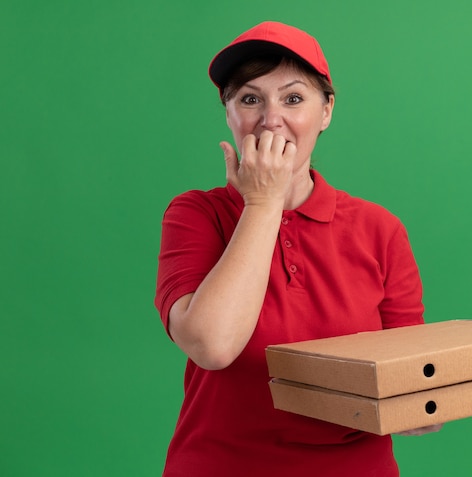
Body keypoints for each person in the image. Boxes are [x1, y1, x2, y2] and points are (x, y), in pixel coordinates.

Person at [155, 21, 440, 477]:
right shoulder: (195, 214)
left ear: (326, 111)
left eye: (293, 98)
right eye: (250, 99)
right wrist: (263, 201)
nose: (271, 119)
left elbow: (410, 384)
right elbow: (211, 345)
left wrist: (426, 403)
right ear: (228, 114)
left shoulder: (378, 229)